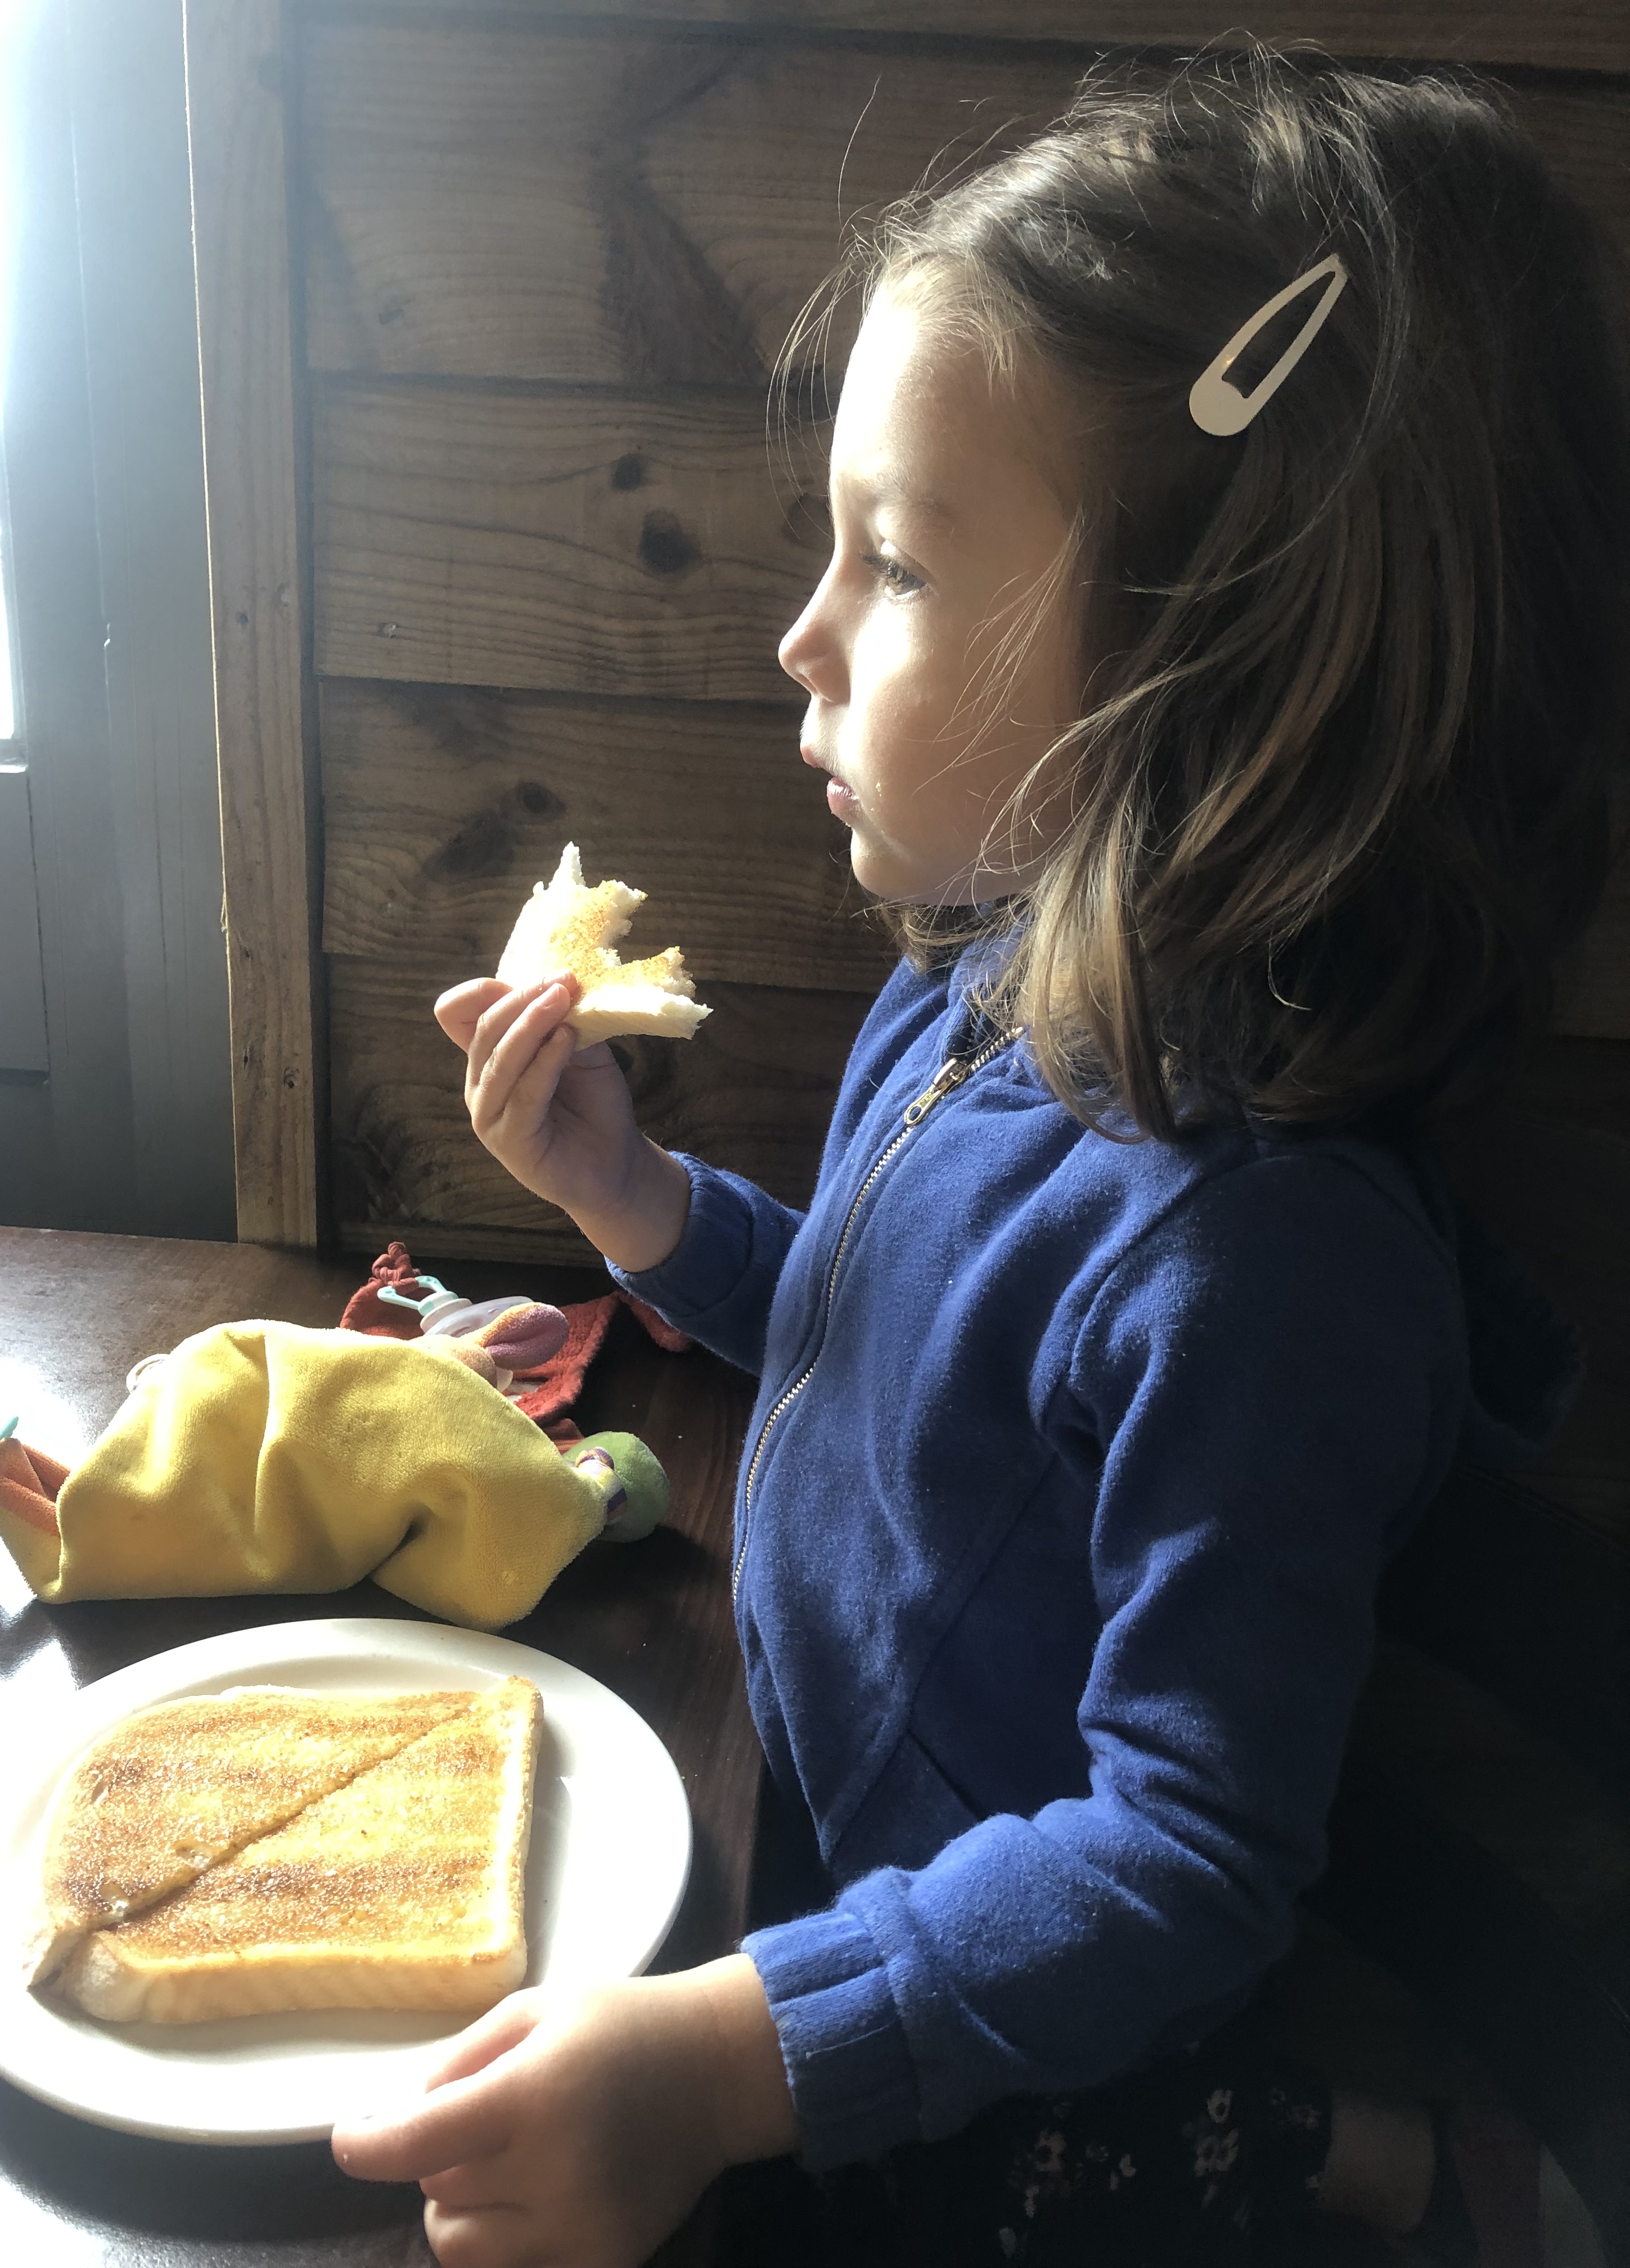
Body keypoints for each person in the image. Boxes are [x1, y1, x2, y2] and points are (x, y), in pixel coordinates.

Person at [334, 47, 1627, 2268]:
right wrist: (636, 1203)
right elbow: (872, 1333)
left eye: (899, 561)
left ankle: (1380, 2161)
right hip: (826, 1821)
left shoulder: (1265, 1273)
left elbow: (1179, 1864)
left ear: (1206, 673)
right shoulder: (977, 989)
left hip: (1023, 2007)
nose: (800, 634)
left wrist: (724, 2066)